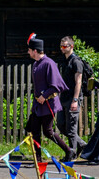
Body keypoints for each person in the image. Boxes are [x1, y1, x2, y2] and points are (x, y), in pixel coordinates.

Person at [27, 33, 75, 162]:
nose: (28, 52)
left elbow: (56, 86)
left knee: (47, 132)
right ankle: (38, 160)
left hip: (49, 103)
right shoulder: (36, 64)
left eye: (29, 50)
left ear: (35, 51)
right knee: (33, 130)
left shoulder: (49, 64)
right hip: (38, 104)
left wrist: (44, 96)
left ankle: (69, 151)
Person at [57, 36, 87, 160]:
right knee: (61, 125)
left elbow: (78, 81)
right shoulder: (65, 61)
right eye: (61, 46)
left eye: (65, 46)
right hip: (63, 98)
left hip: (72, 98)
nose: (62, 48)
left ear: (71, 46)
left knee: (71, 127)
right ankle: (82, 145)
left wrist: (75, 100)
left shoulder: (76, 61)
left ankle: (71, 154)